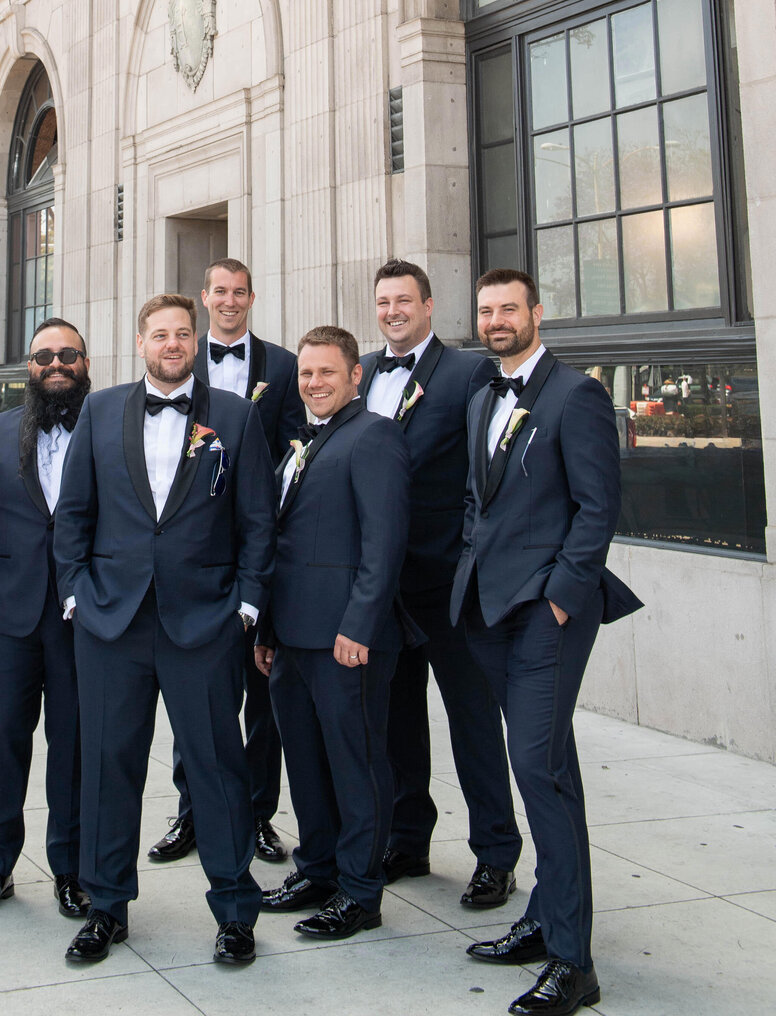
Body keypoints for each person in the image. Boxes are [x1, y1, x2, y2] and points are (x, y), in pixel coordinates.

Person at [53, 293, 276, 969]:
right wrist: (74, 597)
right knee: (106, 767)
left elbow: (258, 521)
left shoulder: (234, 417)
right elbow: (73, 514)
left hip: (204, 622)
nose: (172, 344)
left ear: (196, 339)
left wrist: (245, 607)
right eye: (160, 334)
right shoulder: (99, 410)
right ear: (141, 342)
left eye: (183, 333)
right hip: (110, 622)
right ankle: (106, 907)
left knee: (216, 767)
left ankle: (236, 910)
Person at [454, 269, 642, 1016]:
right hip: (488, 614)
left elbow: (598, 506)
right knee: (548, 766)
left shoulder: (578, 395)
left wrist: (564, 599)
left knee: (537, 766)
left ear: (537, 314)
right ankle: (543, 917)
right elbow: (479, 501)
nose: (498, 320)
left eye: (510, 309)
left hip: (548, 615)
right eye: (487, 311)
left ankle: (574, 964)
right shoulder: (479, 396)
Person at [357, 259, 521, 909]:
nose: (393, 311)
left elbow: (488, 474)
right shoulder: (363, 372)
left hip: (452, 585)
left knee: (473, 721)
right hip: (385, 590)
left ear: (429, 306)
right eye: (383, 302)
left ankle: (496, 854)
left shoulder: (467, 373)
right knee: (397, 721)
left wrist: (473, 559)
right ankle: (408, 838)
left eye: (404, 300)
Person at [256, 326, 413, 938]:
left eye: (327, 372)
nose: (315, 383)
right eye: (306, 374)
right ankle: (317, 867)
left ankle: (359, 890)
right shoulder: (304, 440)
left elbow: (384, 542)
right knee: (306, 761)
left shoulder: (374, 436)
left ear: (356, 377)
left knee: (356, 763)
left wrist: (360, 625)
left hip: (346, 639)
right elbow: (284, 543)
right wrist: (268, 628)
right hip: (292, 635)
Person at [151, 257, 301, 869]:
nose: (230, 301)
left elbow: (299, 444)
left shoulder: (284, 367)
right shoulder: (179, 363)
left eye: (240, 292)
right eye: (220, 292)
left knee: (262, 694)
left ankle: (259, 814)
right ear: (204, 297)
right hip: (197, 556)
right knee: (197, 691)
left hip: (260, 546)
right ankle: (193, 811)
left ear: (253, 296)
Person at [0, 317, 91, 923]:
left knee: (73, 749)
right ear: (28, 368)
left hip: (83, 618)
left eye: (67, 355)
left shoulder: (105, 426)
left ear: (84, 364)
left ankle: (71, 871)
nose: (55, 365)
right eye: (43, 357)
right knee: (3, 742)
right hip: (7, 614)